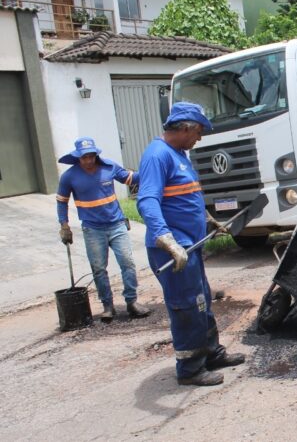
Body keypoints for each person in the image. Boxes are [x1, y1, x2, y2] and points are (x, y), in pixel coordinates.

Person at [137, 102, 244, 386]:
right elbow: (147, 200)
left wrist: (207, 218)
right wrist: (166, 238)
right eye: (198, 131)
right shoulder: (157, 156)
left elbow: (186, 195)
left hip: (191, 246)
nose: (200, 138)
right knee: (186, 306)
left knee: (202, 301)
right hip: (174, 249)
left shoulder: (180, 155)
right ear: (184, 128)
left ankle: (211, 353)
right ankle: (190, 368)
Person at [56, 137, 150, 322]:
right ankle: (108, 306)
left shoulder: (109, 167)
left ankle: (132, 302)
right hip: (92, 229)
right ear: (78, 157)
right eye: (85, 157)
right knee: (99, 268)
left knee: (128, 263)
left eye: (92, 156)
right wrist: (64, 225)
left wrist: (151, 169)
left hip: (117, 225)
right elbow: (61, 201)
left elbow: (130, 179)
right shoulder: (69, 176)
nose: (89, 160)